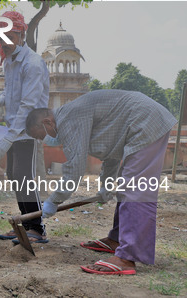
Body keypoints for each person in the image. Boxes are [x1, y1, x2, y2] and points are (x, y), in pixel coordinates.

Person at [25, 89, 177, 275]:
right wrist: (107, 184)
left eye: (41, 135)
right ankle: (117, 240)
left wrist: (54, 200)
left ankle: (126, 258)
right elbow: (112, 151)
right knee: (126, 187)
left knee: (136, 189)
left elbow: (75, 169)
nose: (45, 140)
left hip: (146, 121)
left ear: (47, 122)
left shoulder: (68, 119)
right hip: (140, 121)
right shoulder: (72, 115)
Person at [0, 11, 50, 244]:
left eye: (9, 35)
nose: (4, 41)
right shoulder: (10, 61)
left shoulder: (32, 63)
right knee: (15, 175)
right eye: (1, 36)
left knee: (25, 176)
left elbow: (29, 103)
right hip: (13, 126)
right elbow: (12, 93)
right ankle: (25, 223)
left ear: (21, 34)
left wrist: (9, 137)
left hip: (29, 127)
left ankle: (37, 227)